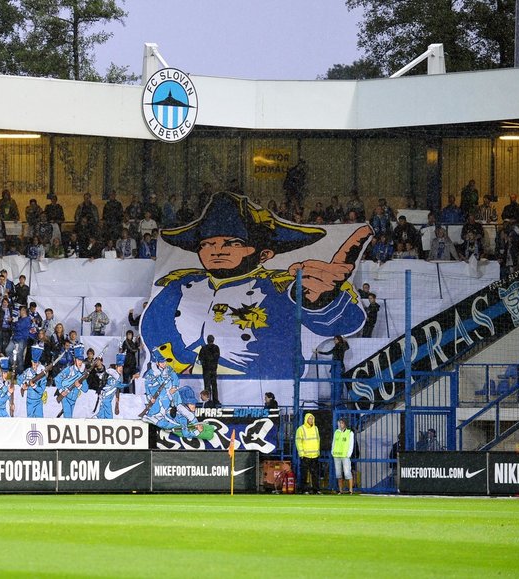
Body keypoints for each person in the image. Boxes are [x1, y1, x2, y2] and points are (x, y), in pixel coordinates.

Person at [141, 191, 367, 380]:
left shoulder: (282, 287)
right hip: (185, 380)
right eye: (207, 243)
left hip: (267, 383)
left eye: (233, 243)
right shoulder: (178, 286)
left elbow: (344, 322)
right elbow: (154, 325)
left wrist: (319, 301)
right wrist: (184, 365)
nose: (217, 250)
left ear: (264, 254)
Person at [54, 346, 88, 418]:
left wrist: (79, 385)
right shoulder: (69, 369)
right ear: (75, 360)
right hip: (65, 397)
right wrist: (61, 390)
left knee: (70, 418)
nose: (80, 362)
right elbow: (57, 379)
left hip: (73, 400)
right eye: (78, 360)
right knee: (68, 418)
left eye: (81, 360)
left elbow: (85, 389)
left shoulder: (82, 373)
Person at [295, 412, 321, 493]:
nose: (311, 420)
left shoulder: (316, 428)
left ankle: (316, 490)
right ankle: (303, 489)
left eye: (312, 418)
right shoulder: (301, 429)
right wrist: (301, 453)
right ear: (306, 419)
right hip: (305, 455)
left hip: (314, 455)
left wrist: (318, 451)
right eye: (309, 418)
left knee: (315, 474)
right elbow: (298, 441)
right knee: (304, 474)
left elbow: (318, 440)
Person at [332, 418, 355, 494]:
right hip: (337, 455)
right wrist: (333, 451)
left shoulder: (349, 433)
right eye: (339, 423)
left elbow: (351, 444)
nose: (340, 424)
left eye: (341, 423)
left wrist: (349, 453)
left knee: (347, 473)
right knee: (338, 473)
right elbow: (334, 443)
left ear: (345, 424)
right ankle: (340, 490)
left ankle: (350, 490)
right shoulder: (336, 432)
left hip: (345, 455)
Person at [197, 334, 220, 405]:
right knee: (214, 386)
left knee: (207, 386)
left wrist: (205, 362)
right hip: (213, 370)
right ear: (213, 340)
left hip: (206, 370)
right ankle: (215, 401)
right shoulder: (216, 348)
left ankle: (208, 401)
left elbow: (200, 359)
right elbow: (217, 357)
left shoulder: (203, 348)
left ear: (207, 340)